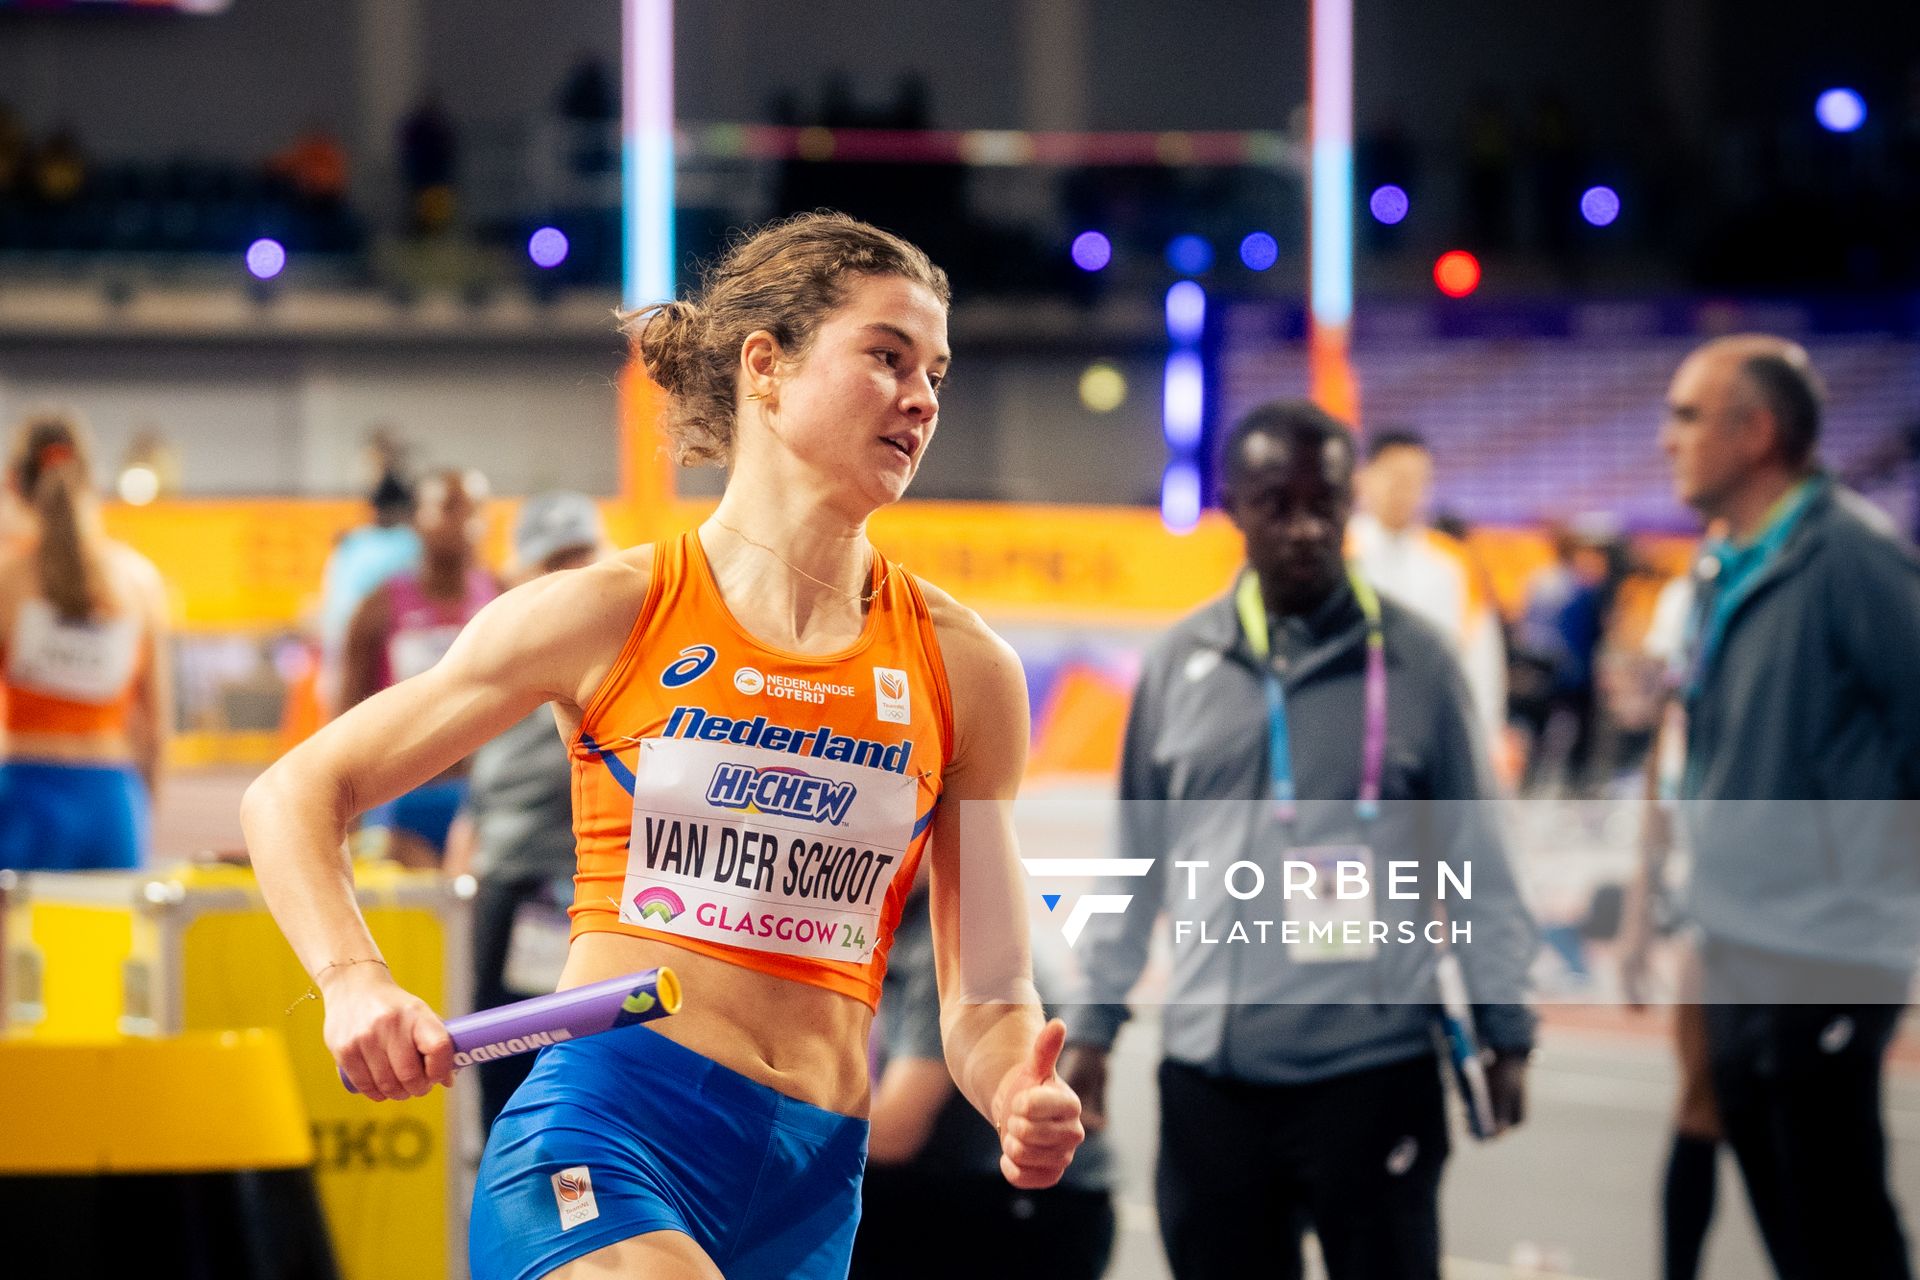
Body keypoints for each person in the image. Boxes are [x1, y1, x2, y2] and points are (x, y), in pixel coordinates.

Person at [240, 211, 1083, 1280]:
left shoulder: (967, 669)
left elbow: (990, 986)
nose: (921, 398)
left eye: (937, 372)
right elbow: (295, 792)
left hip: (812, 1177)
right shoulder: (604, 611)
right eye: (886, 356)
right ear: (766, 368)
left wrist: (1015, 1084)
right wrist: (356, 978)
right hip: (610, 1127)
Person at [1061, 400, 1537, 1280]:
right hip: (1211, 1084)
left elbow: (1477, 854)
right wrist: (1092, 1025)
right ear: (1233, 505)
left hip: (1372, 1074)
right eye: (1277, 503)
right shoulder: (1178, 664)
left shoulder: (1422, 663)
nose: (1307, 528)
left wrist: (1505, 1021)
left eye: (1328, 503)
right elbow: (1135, 857)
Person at [1656, 334, 1920, 1279]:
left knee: (1838, 1219)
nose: (1666, 440)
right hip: (1736, 942)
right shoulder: (1722, 561)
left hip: (1825, 949)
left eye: (1688, 416)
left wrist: (1862, 887)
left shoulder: (1851, 557)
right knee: (1786, 1215)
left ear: (1757, 431)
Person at [443, 491, 610, 1134]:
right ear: (520, 575)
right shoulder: (499, 650)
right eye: (553, 564)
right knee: (504, 1078)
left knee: (575, 1084)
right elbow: (479, 788)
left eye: (580, 560)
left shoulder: (634, 647)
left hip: (584, 897)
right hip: (509, 895)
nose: (568, 580)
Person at [852, 875, 1116, 1280]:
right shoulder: (890, 929)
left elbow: (897, 1133)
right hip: (968, 1179)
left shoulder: (947, 938)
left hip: (1036, 1203)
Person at [0, 412, 171, 871]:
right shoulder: (138, 582)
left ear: (14, 484)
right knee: (111, 943)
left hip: (24, 799)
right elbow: (154, 728)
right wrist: (140, 810)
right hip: (109, 801)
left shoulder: (7, 583)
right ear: (89, 482)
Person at [338, 468, 499, 865]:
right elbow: (345, 717)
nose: (464, 522)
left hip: (483, 796)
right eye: (448, 509)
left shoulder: (504, 598)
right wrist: (344, 813)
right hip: (401, 798)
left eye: (474, 510)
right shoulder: (378, 609)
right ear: (416, 521)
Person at [1348, 429, 1510, 764]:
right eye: (1394, 476)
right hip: (1349, 738)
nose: (1404, 490)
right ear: (1364, 478)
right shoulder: (1335, 557)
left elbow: (1481, 662)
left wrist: (1486, 739)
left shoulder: (1452, 564)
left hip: (1429, 741)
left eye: (1417, 480)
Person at [316, 464, 420, 715]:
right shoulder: (409, 541)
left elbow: (331, 605)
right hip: (387, 652)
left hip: (341, 647)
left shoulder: (351, 545)